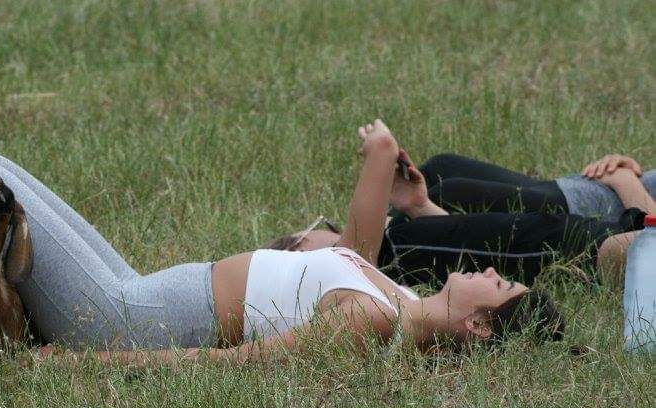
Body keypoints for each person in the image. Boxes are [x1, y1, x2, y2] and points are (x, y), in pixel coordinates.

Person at [0, 120, 563, 368]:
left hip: (124, 319)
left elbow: (229, 368)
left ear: (480, 326)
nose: (489, 268)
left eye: (498, 285)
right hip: (136, 288)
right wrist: (384, 158)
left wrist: (84, 366)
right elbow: (358, 237)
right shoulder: (387, 294)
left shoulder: (373, 325)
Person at [270, 153, 654, 286]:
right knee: (443, 187)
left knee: (442, 179)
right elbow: (647, 237)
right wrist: (624, 183)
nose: (329, 229)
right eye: (308, 234)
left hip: (610, 220)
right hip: (610, 219)